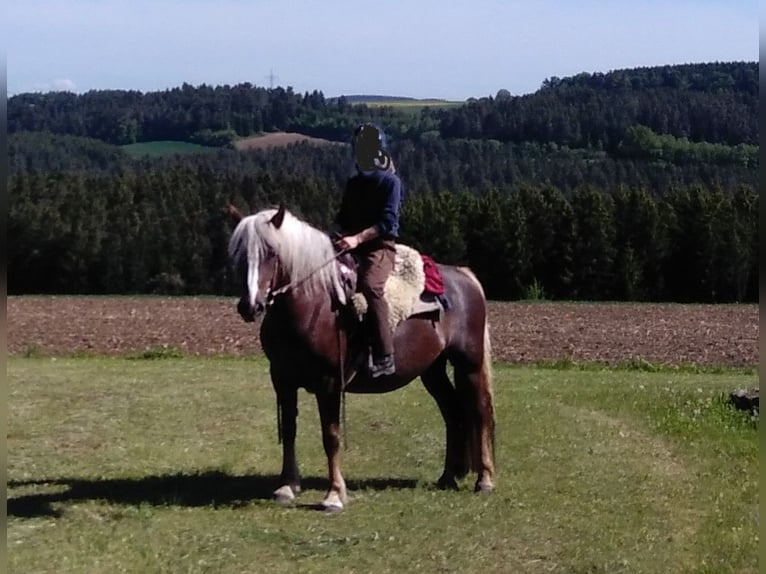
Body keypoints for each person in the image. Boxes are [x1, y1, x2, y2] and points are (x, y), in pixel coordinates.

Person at [333, 123, 402, 378]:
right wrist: (334, 236)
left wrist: (357, 239)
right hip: (350, 243)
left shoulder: (391, 182)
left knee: (371, 286)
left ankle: (386, 355)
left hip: (379, 247)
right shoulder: (354, 184)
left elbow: (387, 222)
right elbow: (342, 218)